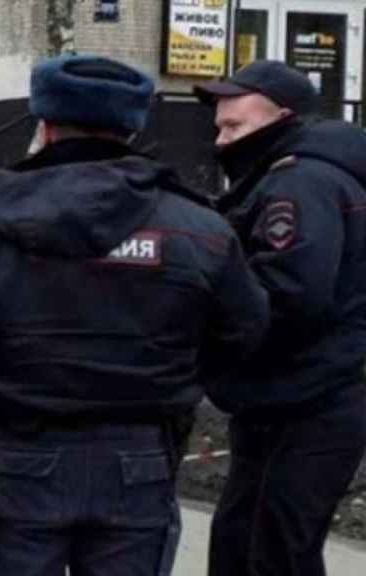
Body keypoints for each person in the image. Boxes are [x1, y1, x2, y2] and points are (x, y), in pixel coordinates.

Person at [0, 55, 270, 576]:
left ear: (44, 126)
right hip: (139, 456)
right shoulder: (198, 225)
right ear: (132, 129)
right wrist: (174, 382)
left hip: (18, 449)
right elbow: (245, 327)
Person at [194, 59, 366, 576]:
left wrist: (212, 333)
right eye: (219, 127)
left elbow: (290, 294)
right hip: (292, 399)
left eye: (235, 126)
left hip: (305, 401)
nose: (222, 140)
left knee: (268, 553)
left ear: (281, 118)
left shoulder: (299, 184)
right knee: (247, 544)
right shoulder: (296, 175)